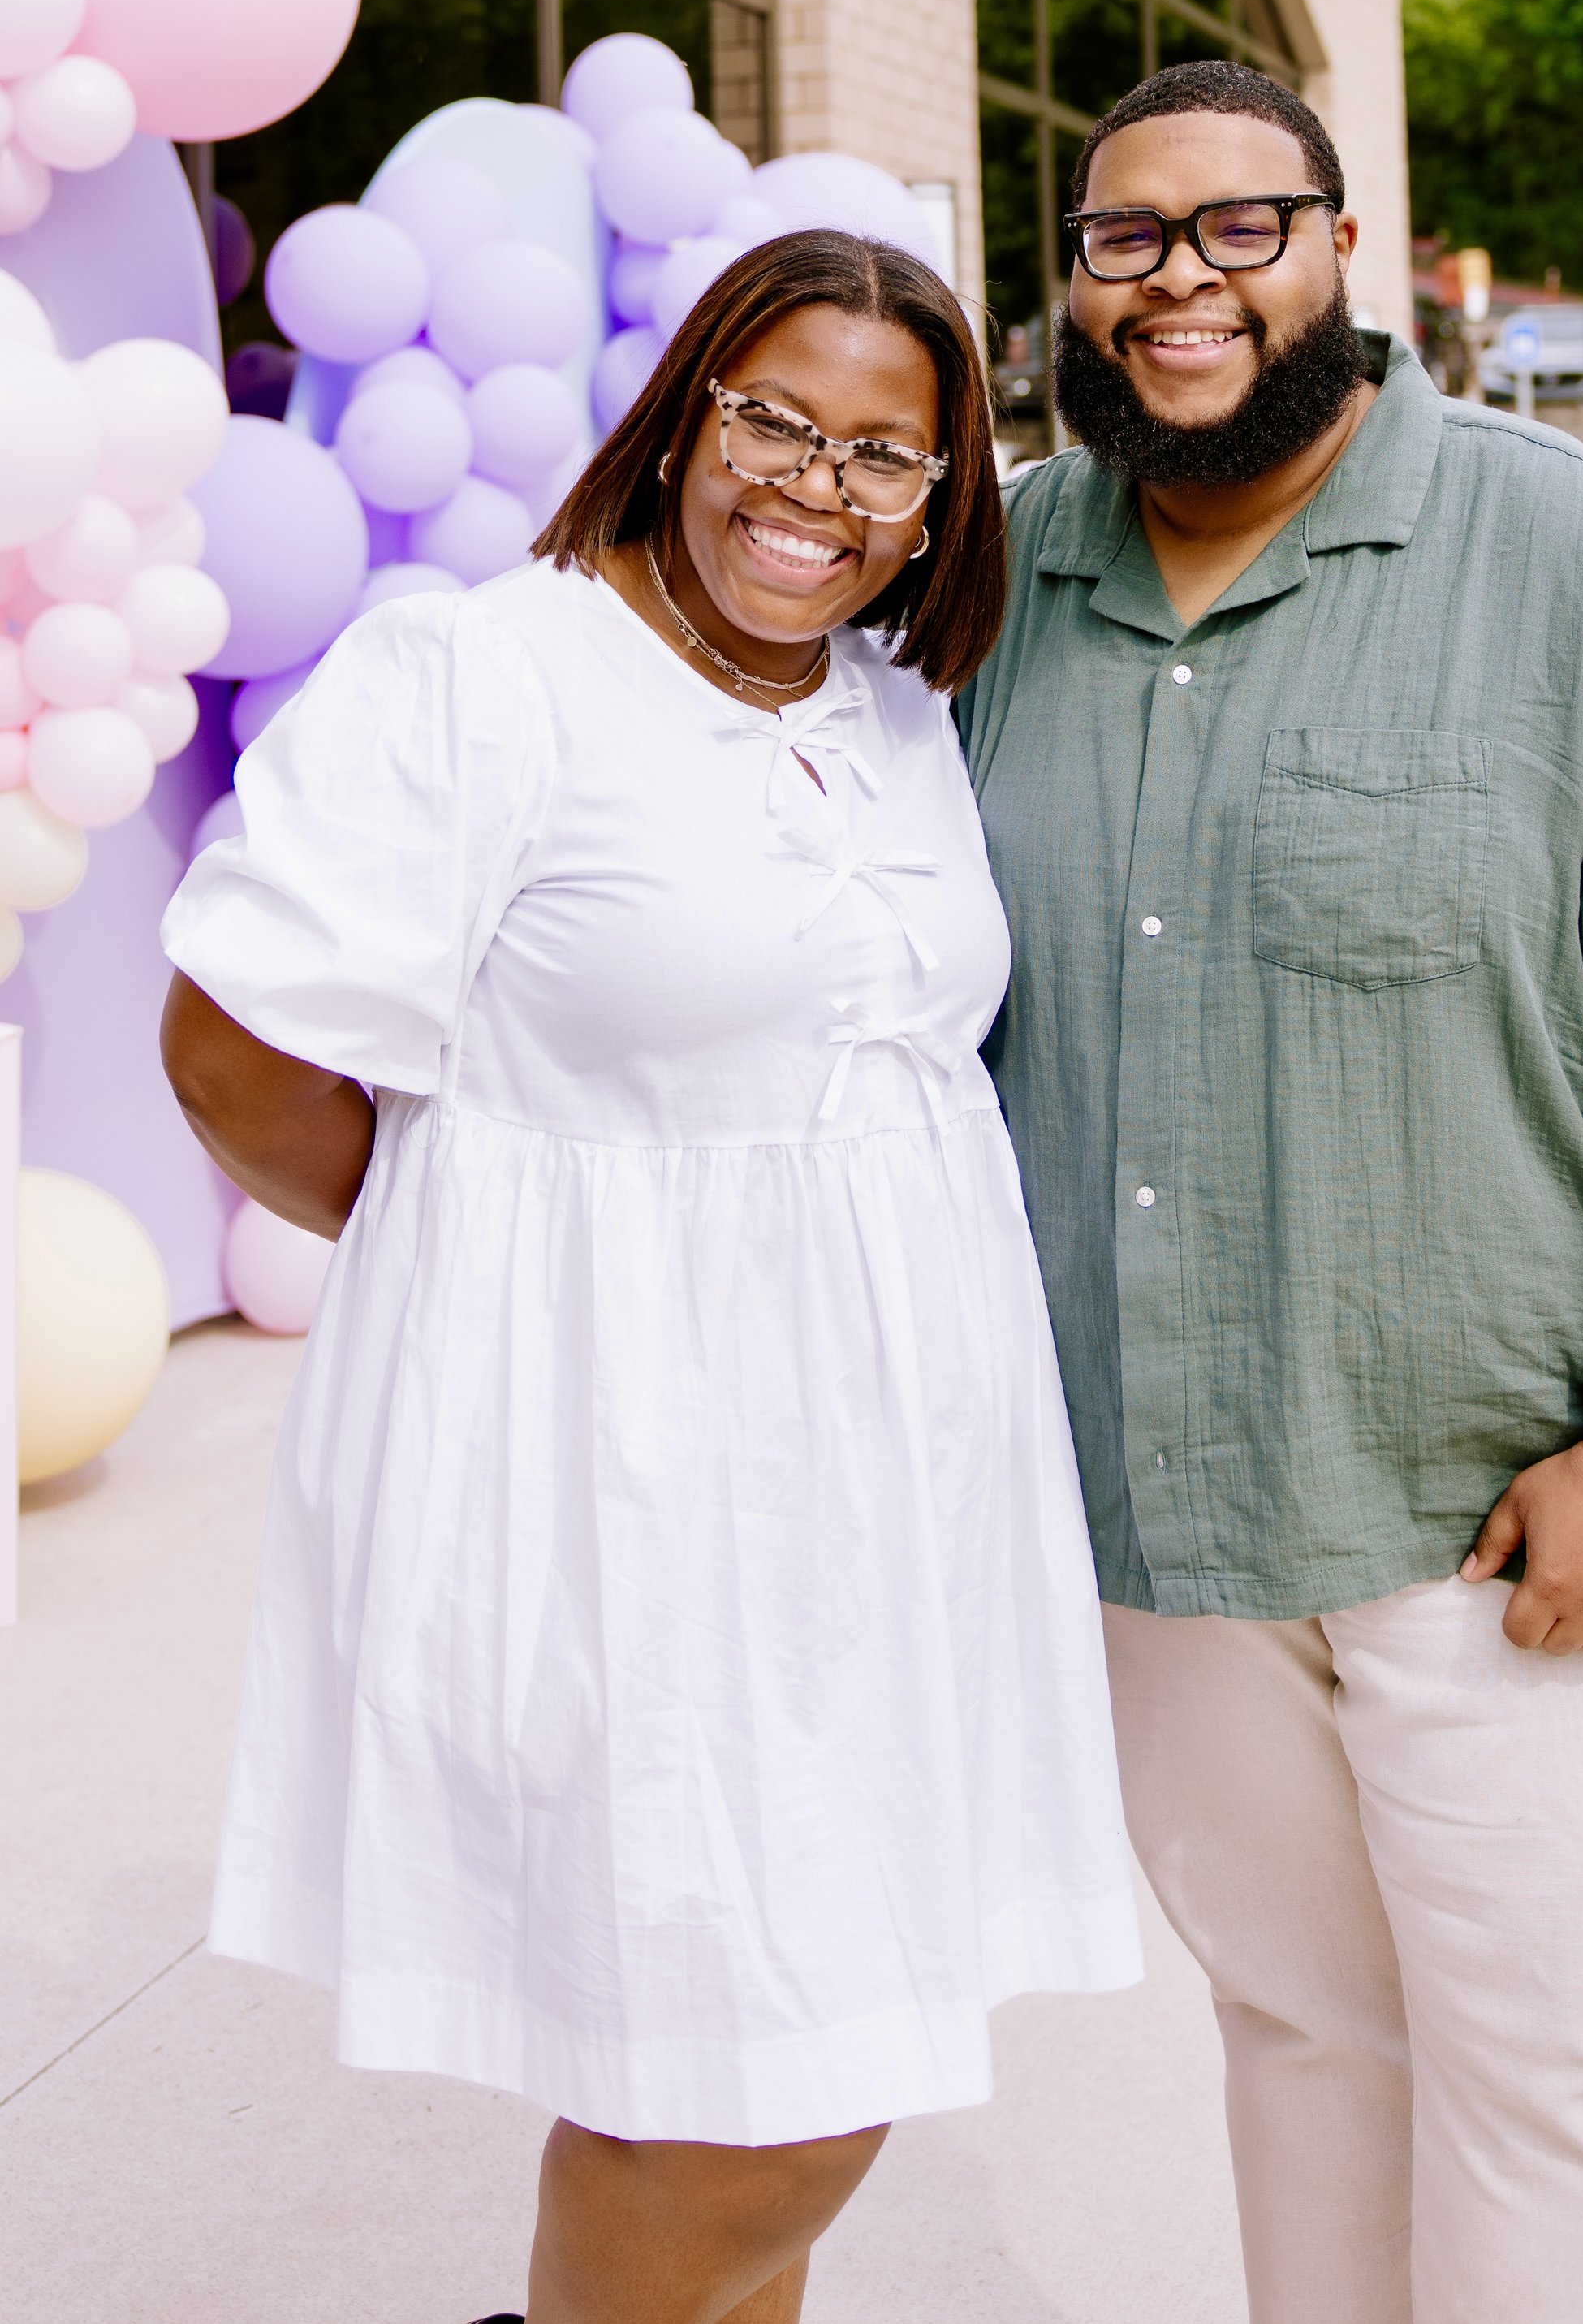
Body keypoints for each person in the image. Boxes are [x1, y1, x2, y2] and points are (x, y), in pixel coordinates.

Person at [958, 59, 1583, 2324]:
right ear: (1073, 286)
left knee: (1558, 2082)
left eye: (1234, 228)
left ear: (1337, 250)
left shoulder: (1553, 543)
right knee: (1301, 2041)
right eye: (1124, 241)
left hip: (1492, 1515)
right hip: (1159, 1529)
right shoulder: (1000, 587)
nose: (1176, 284)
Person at [158, 230, 1140, 2324]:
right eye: (776, 416)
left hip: (885, 1508)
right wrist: (483, 1253)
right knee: (768, 2091)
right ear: (686, 406)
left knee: (732, 2038)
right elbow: (233, 1048)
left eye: (890, 453)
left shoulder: (889, 713)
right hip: (629, 1484)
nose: (818, 485)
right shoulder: (491, 675)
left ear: (947, 496)